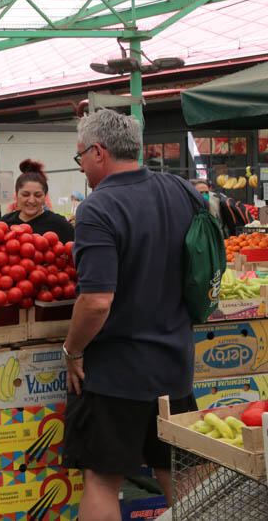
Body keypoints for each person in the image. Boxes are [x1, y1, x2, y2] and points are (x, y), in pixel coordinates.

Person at [62, 109, 199, 521]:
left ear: (98, 152)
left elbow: (96, 301)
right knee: (180, 474)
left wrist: (73, 350)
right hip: (174, 367)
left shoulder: (98, 208)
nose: (81, 167)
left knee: (103, 480)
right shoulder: (183, 191)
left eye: (80, 157)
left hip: (116, 376)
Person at [1, 160, 76, 242]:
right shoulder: (5, 223)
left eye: (38, 195)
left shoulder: (60, 224)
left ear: (45, 197)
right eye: (25, 194)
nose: (31, 200)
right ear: (16, 195)